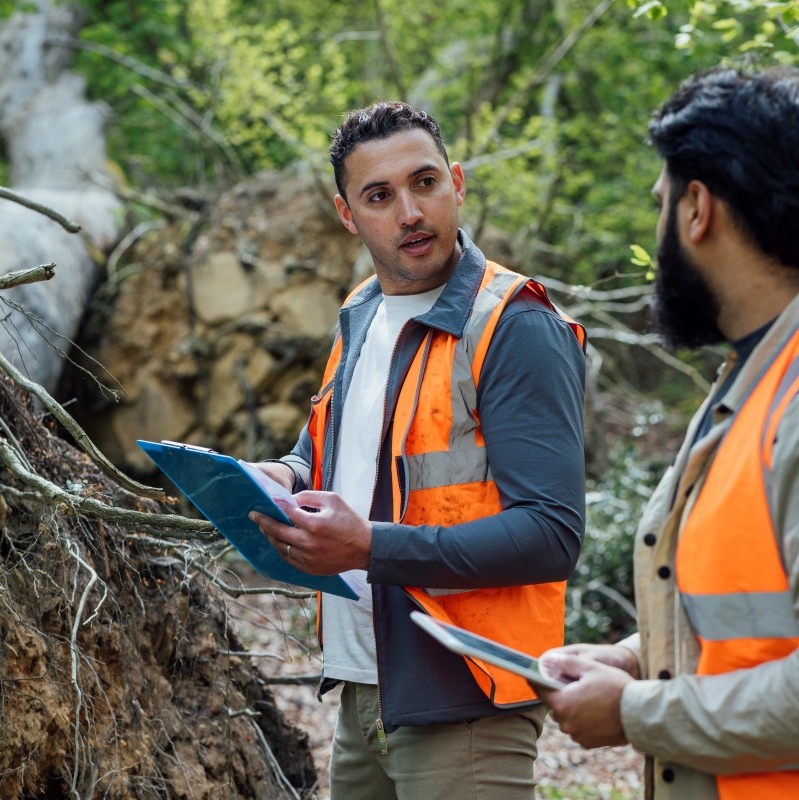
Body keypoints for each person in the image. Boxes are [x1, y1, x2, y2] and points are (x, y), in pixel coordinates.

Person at [249, 100, 587, 799]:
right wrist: (279, 475)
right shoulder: (363, 311)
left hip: (465, 699)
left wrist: (369, 546)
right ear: (348, 215)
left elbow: (552, 534)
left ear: (457, 183)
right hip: (364, 692)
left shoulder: (513, 325)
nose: (409, 211)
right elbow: (328, 451)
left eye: (425, 182)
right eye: (379, 196)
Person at [537, 66, 799, 800]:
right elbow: (744, 622)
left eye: (660, 206)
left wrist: (635, 712)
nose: (656, 232)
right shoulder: (750, 381)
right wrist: (633, 659)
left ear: (697, 211)